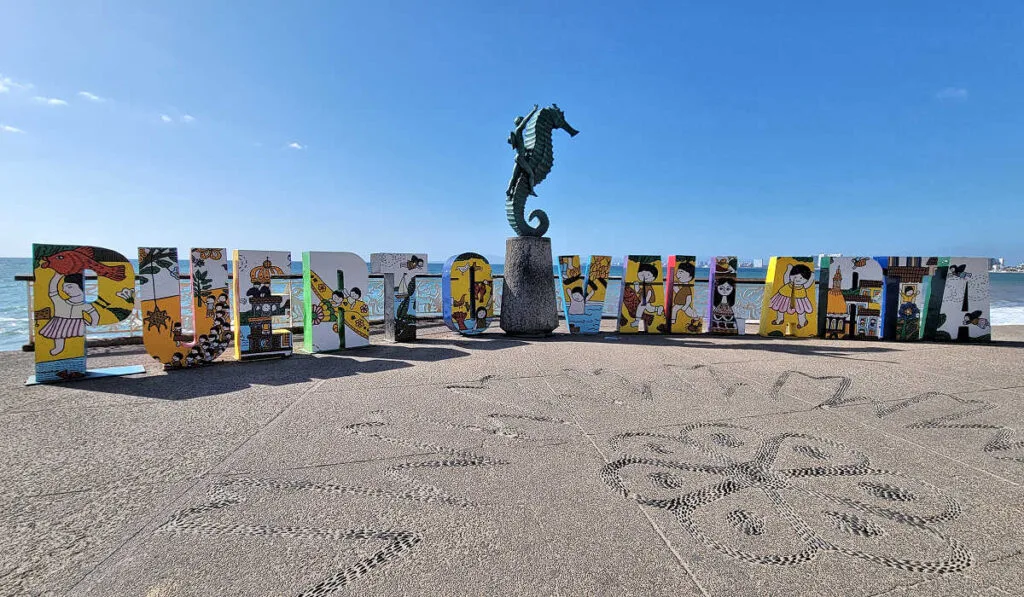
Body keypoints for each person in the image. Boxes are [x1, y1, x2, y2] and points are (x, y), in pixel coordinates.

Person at [38, 273, 99, 356]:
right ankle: (59, 348)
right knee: (59, 335)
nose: (65, 290)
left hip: (76, 325)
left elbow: (94, 315)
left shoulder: (85, 304)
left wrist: (93, 326)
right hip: (60, 323)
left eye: (70, 287)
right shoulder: (60, 302)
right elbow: (52, 290)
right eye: (64, 287)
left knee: (78, 341)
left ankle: (74, 351)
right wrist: (57, 276)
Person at [507, 105, 540, 198]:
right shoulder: (518, 131)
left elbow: (522, 148)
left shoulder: (518, 135)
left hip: (518, 157)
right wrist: (534, 111)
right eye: (522, 122)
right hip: (521, 158)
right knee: (531, 174)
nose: (524, 124)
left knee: (515, 176)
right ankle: (531, 190)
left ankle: (509, 190)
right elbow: (526, 121)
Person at [768, 264, 815, 328]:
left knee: (801, 311)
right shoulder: (788, 283)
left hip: (799, 299)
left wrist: (812, 277)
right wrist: (788, 270)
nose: (798, 279)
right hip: (784, 297)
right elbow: (786, 278)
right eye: (795, 277)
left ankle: (802, 321)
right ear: (791, 276)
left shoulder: (803, 286)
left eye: (801, 278)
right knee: (780, 308)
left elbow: (808, 284)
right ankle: (779, 319)